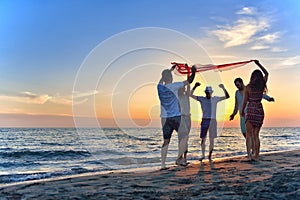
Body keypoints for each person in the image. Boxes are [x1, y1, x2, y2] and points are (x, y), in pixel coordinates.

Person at [157, 65, 196, 169]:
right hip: (175, 116)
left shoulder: (159, 87)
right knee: (184, 136)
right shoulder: (174, 86)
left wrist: (169, 70)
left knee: (166, 140)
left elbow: (162, 79)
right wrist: (193, 71)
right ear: (171, 77)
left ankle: (163, 164)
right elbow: (189, 81)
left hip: (164, 118)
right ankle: (179, 159)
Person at [190, 82, 230, 161]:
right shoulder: (202, 99)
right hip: (205, 119)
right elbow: (190, 95)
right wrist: (195, 86)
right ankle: (203, 155)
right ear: (205, 93)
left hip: (212, 120)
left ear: (211, 92)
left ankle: (210, 156)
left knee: (211, 139)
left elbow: (227, 96)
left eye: (209, 92)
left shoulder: (215, 99)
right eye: (207, 93)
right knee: (203, 139)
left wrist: (223, 88)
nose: (208, 94)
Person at [241, 60, 269, 161]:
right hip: (259, 110)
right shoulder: (262, 85)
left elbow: (244, 101)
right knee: (256, 135)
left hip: (251, 110)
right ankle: (256, 156)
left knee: (249, 135)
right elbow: (267, 73)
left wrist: (242, 111)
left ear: (252, 77)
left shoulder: (248, 87)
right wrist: (258, 64)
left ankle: (249, 156)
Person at [176, 84, 191, 166]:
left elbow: (189, 85)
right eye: (181, 89)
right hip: (181, 118)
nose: (182, 90)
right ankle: (180, 158)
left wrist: (190, 74)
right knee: (182, 138)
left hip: (188, 117)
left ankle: (184, 158)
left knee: (186, 138)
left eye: (183, 88)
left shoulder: (186, 96)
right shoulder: (177, 98)